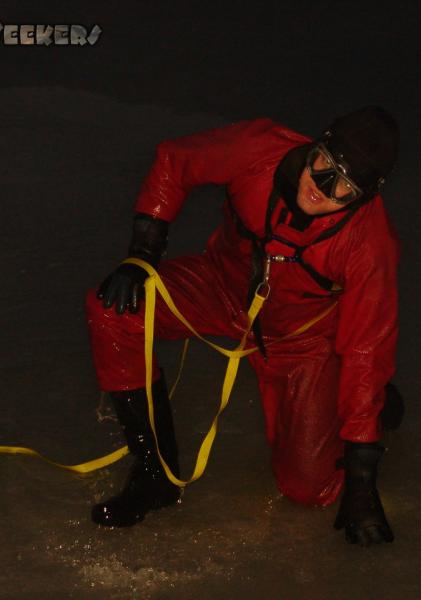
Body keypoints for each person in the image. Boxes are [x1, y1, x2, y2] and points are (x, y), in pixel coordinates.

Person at [84, 106, 402, 546]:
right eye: (325, 165)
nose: (322, 187)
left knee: (309, 490)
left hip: (303, 339)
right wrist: (143, 252)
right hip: (221, 287)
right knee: (115, 310)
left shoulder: (369, 244)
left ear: (365, 197)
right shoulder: (260, 150)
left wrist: (362, 474)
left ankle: (374, 407)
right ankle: (155, 473)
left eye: (345, 186)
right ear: (316, 145)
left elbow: (367, 347)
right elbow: (176, 161)